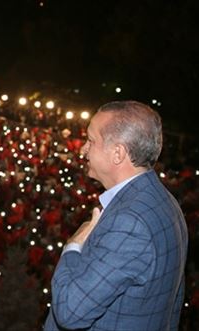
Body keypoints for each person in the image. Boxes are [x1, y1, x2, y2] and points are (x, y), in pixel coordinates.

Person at [44, 101, 188, 330]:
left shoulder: (131, 223)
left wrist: (72, 247)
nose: (83, 149)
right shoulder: (165, 201)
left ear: (118, 153)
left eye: (91, 141)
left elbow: (69, 312)